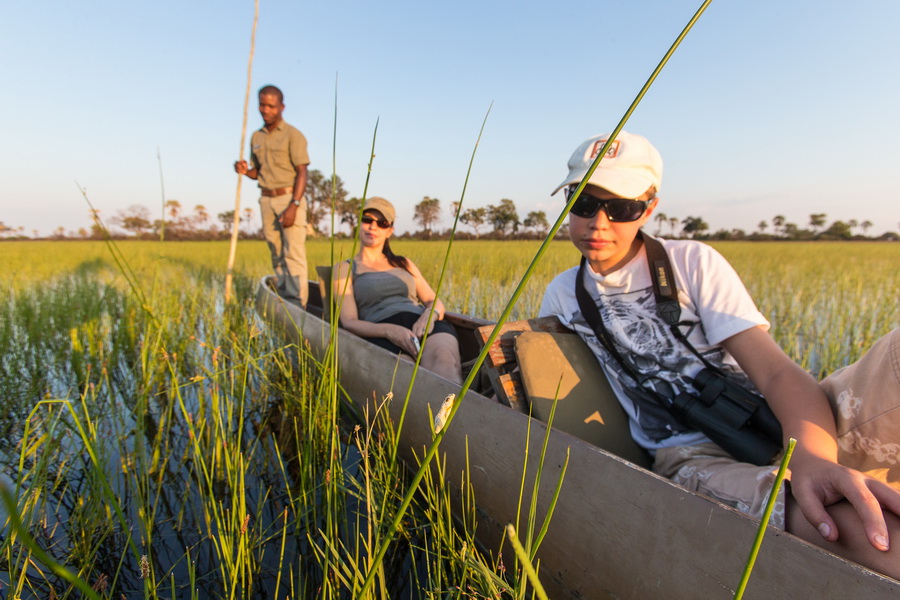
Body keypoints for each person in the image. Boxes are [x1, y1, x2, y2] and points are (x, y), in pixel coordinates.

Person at [538, 130, 900, 577]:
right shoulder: (562, 296)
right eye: (584, 202)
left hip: (773, 417)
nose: (599, 222)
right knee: (845, 524)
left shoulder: (691, 262)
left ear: (648, 207)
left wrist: (813, 457)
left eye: (622, 207)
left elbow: (775, 374)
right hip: (690, 453)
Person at [331, 197, 463, 384]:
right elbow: (349, 322)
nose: (373, 227)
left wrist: (429, 316)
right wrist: (388, 331)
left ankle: (455, 411)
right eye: (367, 220)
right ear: (359, 224)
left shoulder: (403, 263)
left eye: (382, 223)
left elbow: (433, 301)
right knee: (404, 373)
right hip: (379, 328)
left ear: (390, 230)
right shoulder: (345, 268)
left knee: (444, 359)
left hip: (422, 323)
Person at [234, 84, 310, 306]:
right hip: (266, 199)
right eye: (262, 105)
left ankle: (298, 306)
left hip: (288, 198)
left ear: (281, 107)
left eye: (271, 106)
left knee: (292, 253)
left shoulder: (293, 135)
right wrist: (244, 170)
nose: (265, 110)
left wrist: (294, 205)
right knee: (276, 251)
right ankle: (286, 299)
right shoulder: (256, 137)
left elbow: (302, 172)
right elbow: (257, 172)